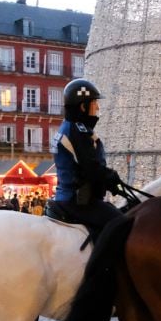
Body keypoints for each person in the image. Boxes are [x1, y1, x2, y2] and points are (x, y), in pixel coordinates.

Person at [46, 78, 126, 236]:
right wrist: (111, 177)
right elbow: (91, 168)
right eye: (94, 102)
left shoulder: (70, 127)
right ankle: (99, 261)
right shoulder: (78, 132)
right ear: (83, 106)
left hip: (71, 197)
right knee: (121, 224)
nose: (97, 107)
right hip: (78, 201)